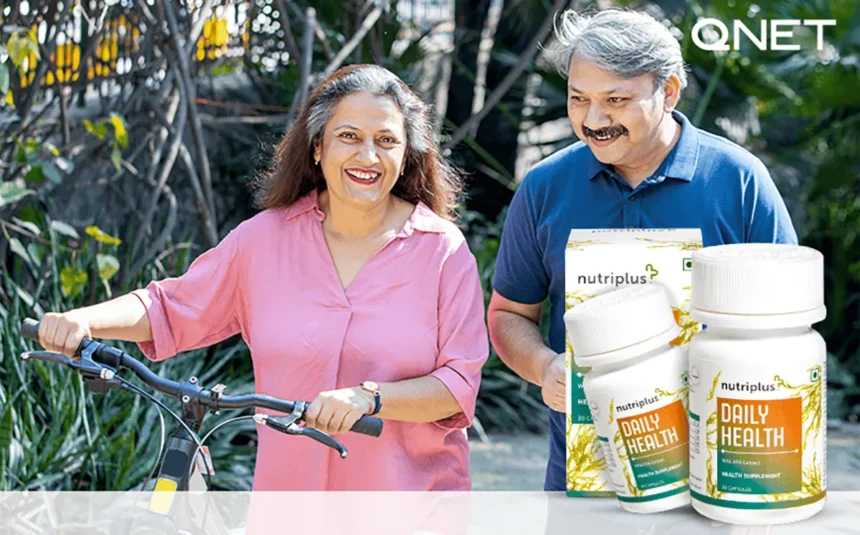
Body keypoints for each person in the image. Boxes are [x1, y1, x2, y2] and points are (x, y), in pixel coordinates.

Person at [35, 64, 489, 491]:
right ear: (318, 146)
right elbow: (169, 306)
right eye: (348, 136)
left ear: (408, 152)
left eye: (386, 140)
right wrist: (84, 320)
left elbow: (457, 386)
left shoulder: (442, 250)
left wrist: (369, 399)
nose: (367, 155)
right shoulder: (264, 240)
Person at [487, 9, 798, 494]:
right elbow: (508, 314)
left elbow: (788, 325)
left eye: (615, 100)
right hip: (584, 477)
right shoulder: (544, 187)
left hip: (718, 475)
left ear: (668, 91)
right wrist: (543, 366)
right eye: (578, 99)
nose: (593, 120)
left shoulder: (738, 181)